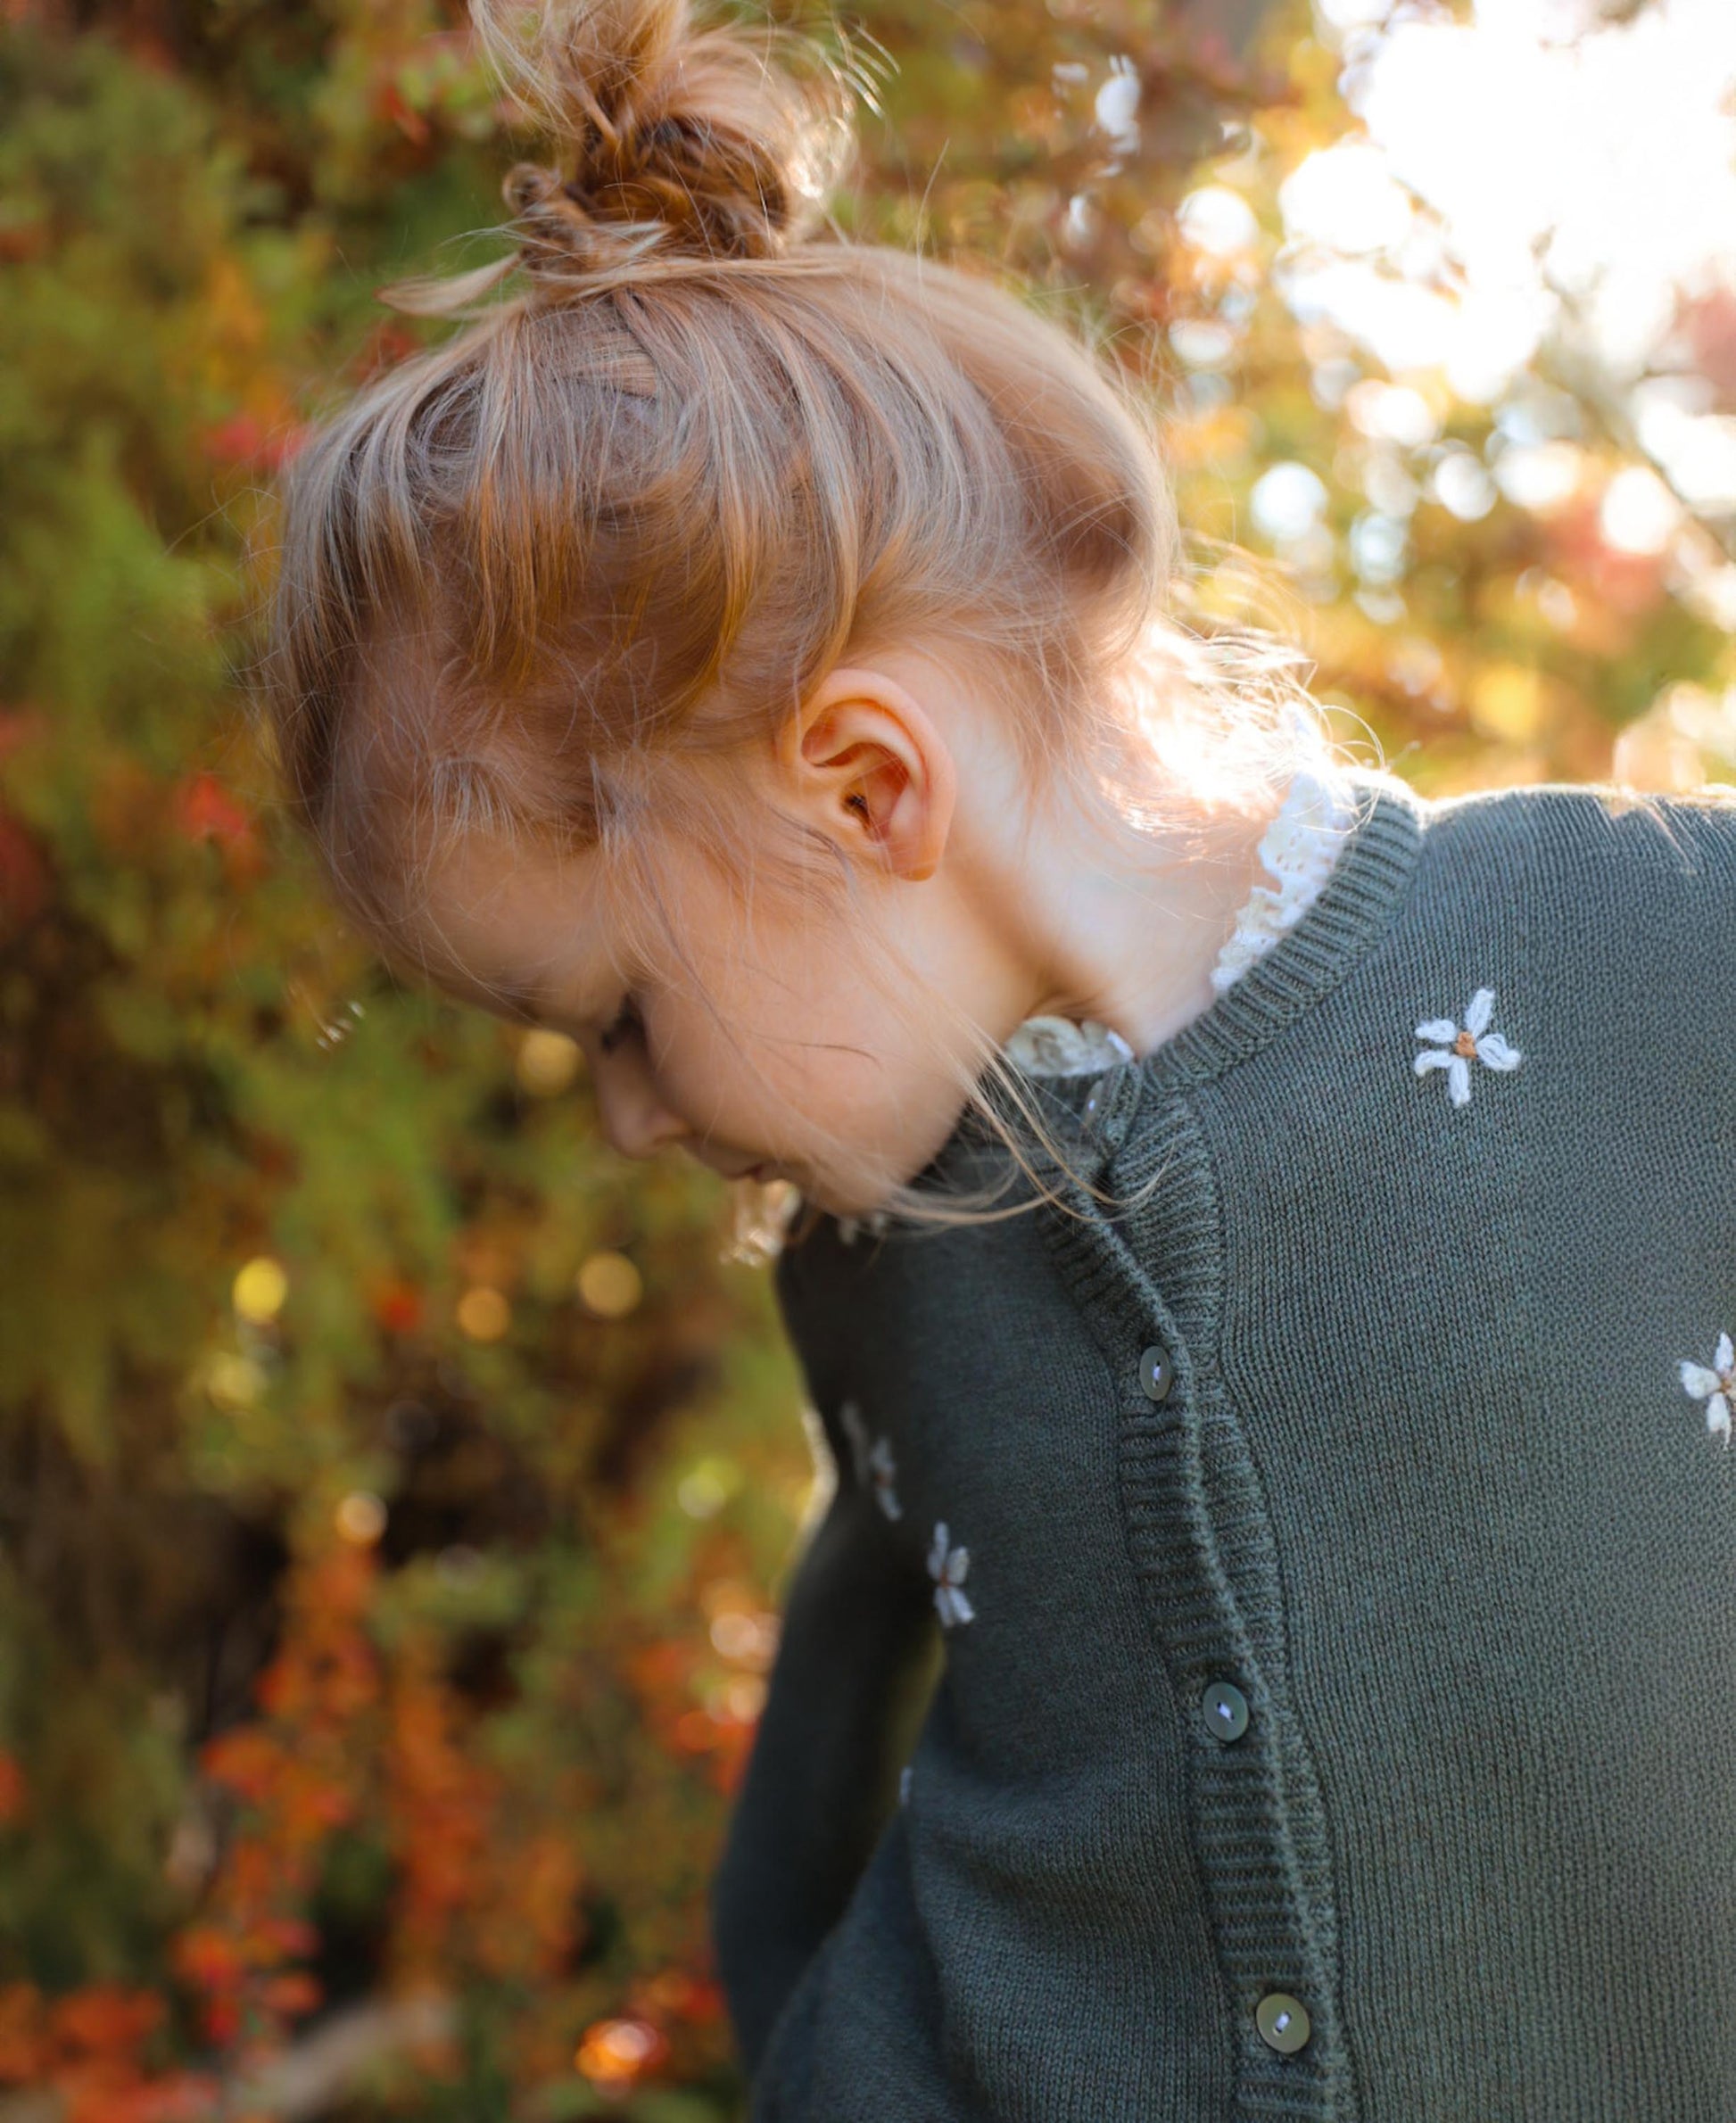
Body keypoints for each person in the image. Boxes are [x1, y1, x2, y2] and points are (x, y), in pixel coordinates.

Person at [257, 1, 1736, 2115]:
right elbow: (826, 1804)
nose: (628, 1113)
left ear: (863, 785)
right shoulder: (873, 1263)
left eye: (619, 1015)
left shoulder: (1644, 946)